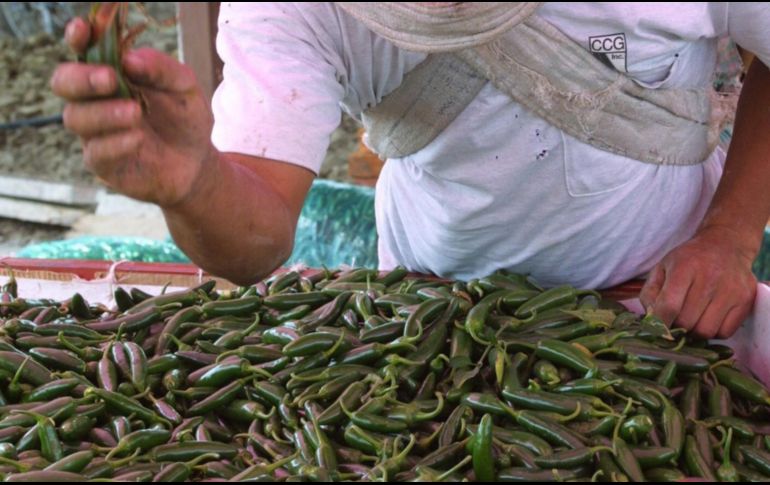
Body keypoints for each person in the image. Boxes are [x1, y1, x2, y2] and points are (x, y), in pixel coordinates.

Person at [52, 3, 770, 340]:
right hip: (432, 315)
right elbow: (255, 237)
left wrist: (729, 238)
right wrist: (194, 184)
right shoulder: (291, 9)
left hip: (661, 300)